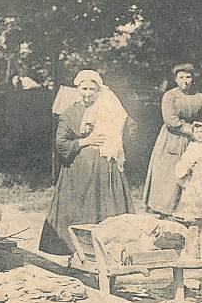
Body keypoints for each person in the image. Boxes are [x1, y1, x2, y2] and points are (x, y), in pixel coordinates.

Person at [39, 70, 135, 256]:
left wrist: (115, 141)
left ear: (99, 90)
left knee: (106, 209)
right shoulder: (71, 112)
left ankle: (107, 251)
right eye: (84, 88)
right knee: (80, 210)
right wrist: (87, 141)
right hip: (78, 172)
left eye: (92, 89)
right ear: (78, 89)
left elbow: (128, 126)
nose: (88, 93)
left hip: (105, 170)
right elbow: (61, 143)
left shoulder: (109, 107)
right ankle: (74, 250)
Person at [143, 63, 202, 215]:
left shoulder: (199, 97)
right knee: (168, 173)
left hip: (194, 142)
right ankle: (162, 209)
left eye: (188, 77)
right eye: (181, 77)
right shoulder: (170, 96)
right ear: (175, 79)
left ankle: (186, 210)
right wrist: (190, 130)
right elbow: (170, 120)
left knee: (190, 172)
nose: (185, 81)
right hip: (172, 138)